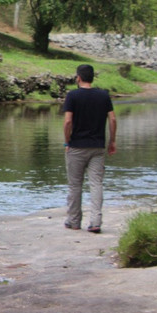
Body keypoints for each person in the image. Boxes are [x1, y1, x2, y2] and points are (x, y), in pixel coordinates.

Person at [62, 64, 116, 233]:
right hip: (98, 146)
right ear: (92, 78)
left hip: (77, 146)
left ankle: (74, 221)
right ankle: (95, 222)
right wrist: (112, 141)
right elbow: (113, 120)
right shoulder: (103, 96)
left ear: (78, 77)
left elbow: (68, 121)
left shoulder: (72, 96)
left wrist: (67, 141)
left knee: (75, 185)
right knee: (96, 184)